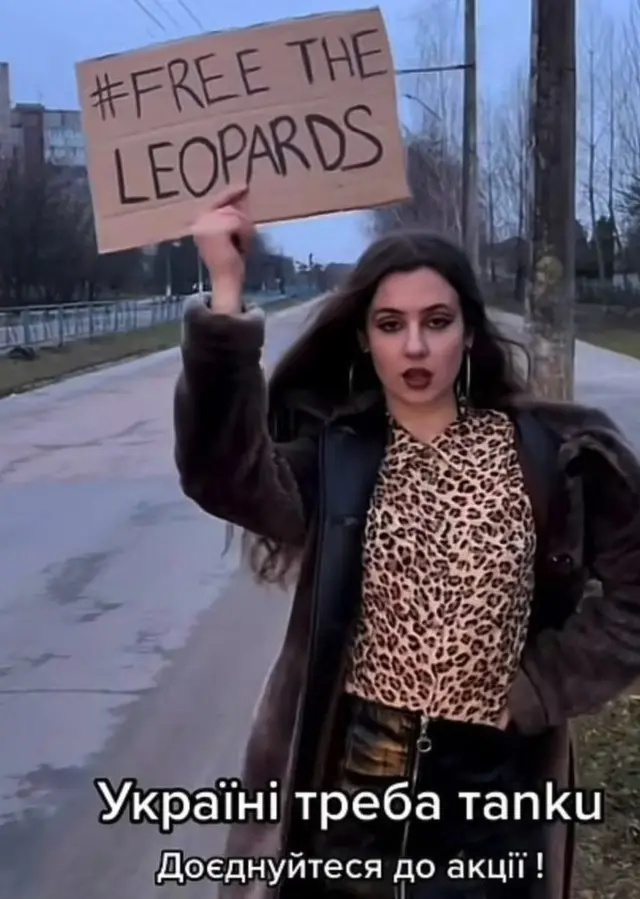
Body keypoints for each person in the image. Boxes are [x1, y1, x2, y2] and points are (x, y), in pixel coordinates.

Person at [173, 184, 640, 899]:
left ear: (471, 333)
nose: (415, 345)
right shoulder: (340, 459)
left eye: (437, 320)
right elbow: (221, 474)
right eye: (391, 323)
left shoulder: (551, 454)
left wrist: (541, 685)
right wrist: (226, 293)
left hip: (492, 812)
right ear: (365, 337)